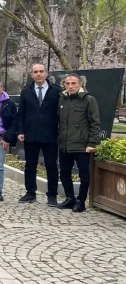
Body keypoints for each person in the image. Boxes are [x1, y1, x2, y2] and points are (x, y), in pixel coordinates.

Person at [17, 64, 62, 205]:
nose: (39, 74)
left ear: (46, 73)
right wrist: (20, 131)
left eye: (41, 71)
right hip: (31, 135)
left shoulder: (56, 91)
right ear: (31, 75)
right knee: (30, 165)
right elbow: (21, 114)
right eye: (35, 72)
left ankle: (52, 195)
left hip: (50, 135)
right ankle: (30, 193)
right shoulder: (26, 92)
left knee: (51, 166)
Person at [57, 73, 100, 213]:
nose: (70, 86)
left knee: (84, 175)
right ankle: (70, 198)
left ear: (80, 84)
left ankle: (81, 201)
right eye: (67, 83)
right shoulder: (62, 99)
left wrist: (92, 143)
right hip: (65, 144)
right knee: (64, 172)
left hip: (82, 145)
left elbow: (94, 123)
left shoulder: (89, 100)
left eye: (73, 83)